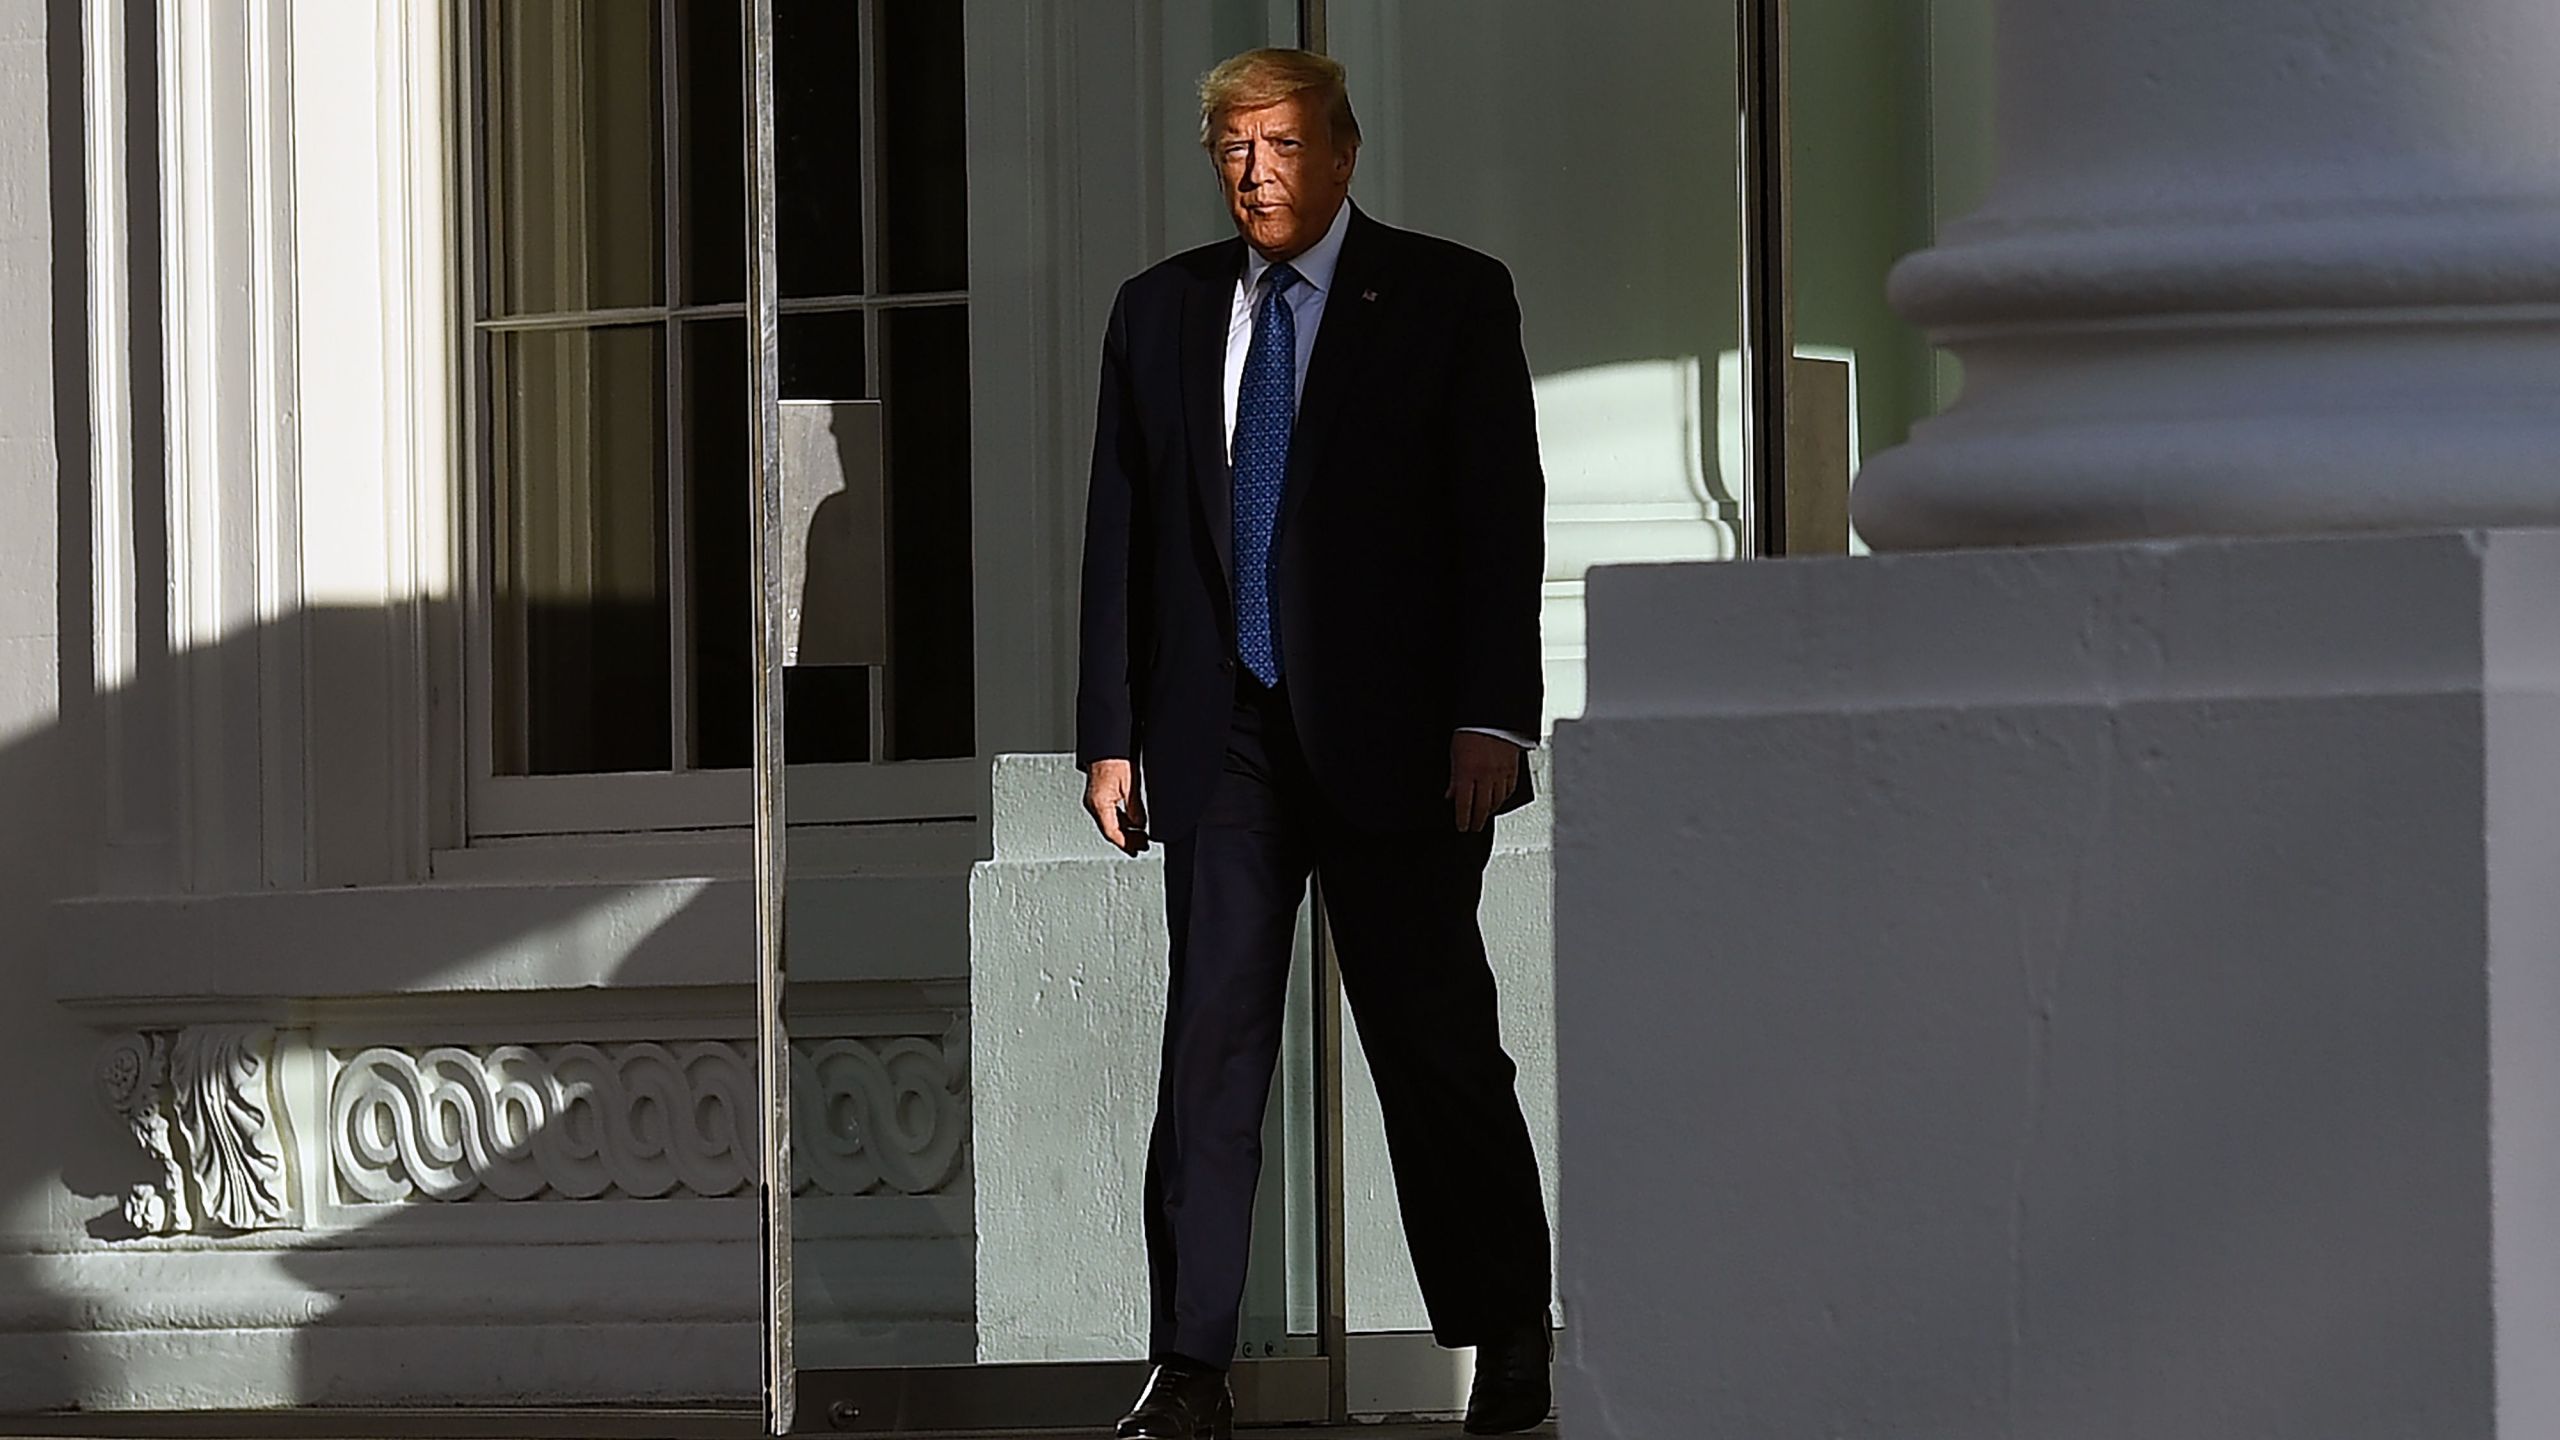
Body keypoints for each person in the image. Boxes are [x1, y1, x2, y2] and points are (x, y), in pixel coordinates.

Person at [1075, 46, 1554, 1440]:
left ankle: (1510, 1335)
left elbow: (1495, 520)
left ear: (1342, 154)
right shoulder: (1157, 312)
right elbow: (1124, 532)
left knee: (1436, 1043)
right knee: (1210, 1044)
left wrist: (1489, 716)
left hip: (1403, 741)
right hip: (1221, 737)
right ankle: (1192, 1365)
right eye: (1233, 148)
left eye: (1281, 145)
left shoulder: (1450, 298)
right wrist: (1112, 734)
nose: (1255, 173)